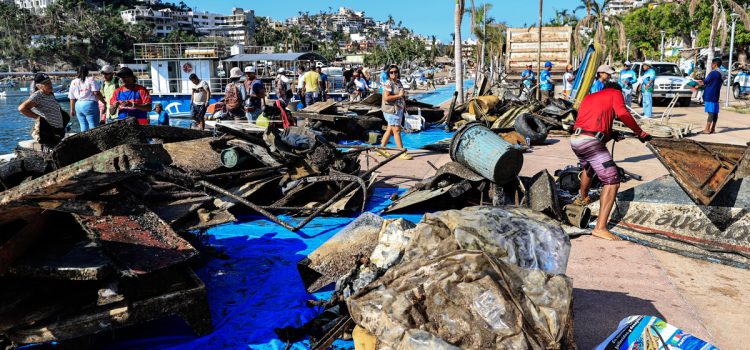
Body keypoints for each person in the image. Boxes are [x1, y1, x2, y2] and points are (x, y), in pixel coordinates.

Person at [571, 81, 652, 240]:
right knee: (612, 180)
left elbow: (591, 121)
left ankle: (584, 198)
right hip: (591, 141)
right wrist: (639, 132)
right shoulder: (615, 93)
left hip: (576, 139)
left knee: (589, 168)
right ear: (616, 91)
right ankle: (600, 227)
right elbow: (622, 113)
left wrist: (610, 134)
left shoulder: (589, 97)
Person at [18, 73, 66, 147]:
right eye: (46, 83)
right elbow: (22, 108)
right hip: (48, 132)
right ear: (38, 86)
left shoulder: (50, 94)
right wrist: (38, 118)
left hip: (58, 131)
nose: (49, 85)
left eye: (50, 82)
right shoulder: (38, 95)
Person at [379, 65, 412, 160]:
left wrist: (403, 98)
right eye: (391, 72)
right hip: (391, 111)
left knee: (390, 130)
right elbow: (386, 98)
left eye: (396, 72)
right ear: (388, 74)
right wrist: (399, 95)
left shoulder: (398, 82)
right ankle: (401, 152)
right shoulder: (388, 83)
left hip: (398, 110)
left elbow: (401, 95)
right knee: (396, 130)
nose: (394, 74)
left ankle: (381, 148)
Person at [68, 66, 105, 132]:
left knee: (83, 125)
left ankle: (85, 141)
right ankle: (95, 141)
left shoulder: (73, 82)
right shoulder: (91, 80)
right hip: (90, 104)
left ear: (77, 72)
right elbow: (96, 93)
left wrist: (72, 109)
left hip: (78, 105)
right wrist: (104, 102)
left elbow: (72, 97)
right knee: (94, 126)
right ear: (87, 72)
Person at [698, 58, 724, 134]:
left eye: (711, 64)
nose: (711, 65)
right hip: (716, 95)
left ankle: (707, 129)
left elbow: (704, 82)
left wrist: (695, 84)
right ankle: (713, 128)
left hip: (710, 95)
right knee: (715, 112)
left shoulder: (713, 73)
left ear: (715, 64)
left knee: (711, 112)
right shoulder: (722, 73)